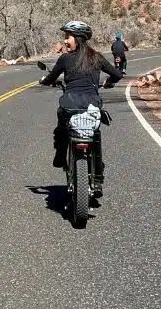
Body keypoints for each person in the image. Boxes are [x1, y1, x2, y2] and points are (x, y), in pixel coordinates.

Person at [39, 21, 123, 197]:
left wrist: (44, 81)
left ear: (77, 39)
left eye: (67, 37)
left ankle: (61, 153)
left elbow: (51, 77)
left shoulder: (65, 59)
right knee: (95, 136)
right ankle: (98, 180)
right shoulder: (97, 57)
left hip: (70, 103)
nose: (65, 41)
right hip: (92, 105)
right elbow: (116, 74)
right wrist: (108, 83)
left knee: (61, 121)